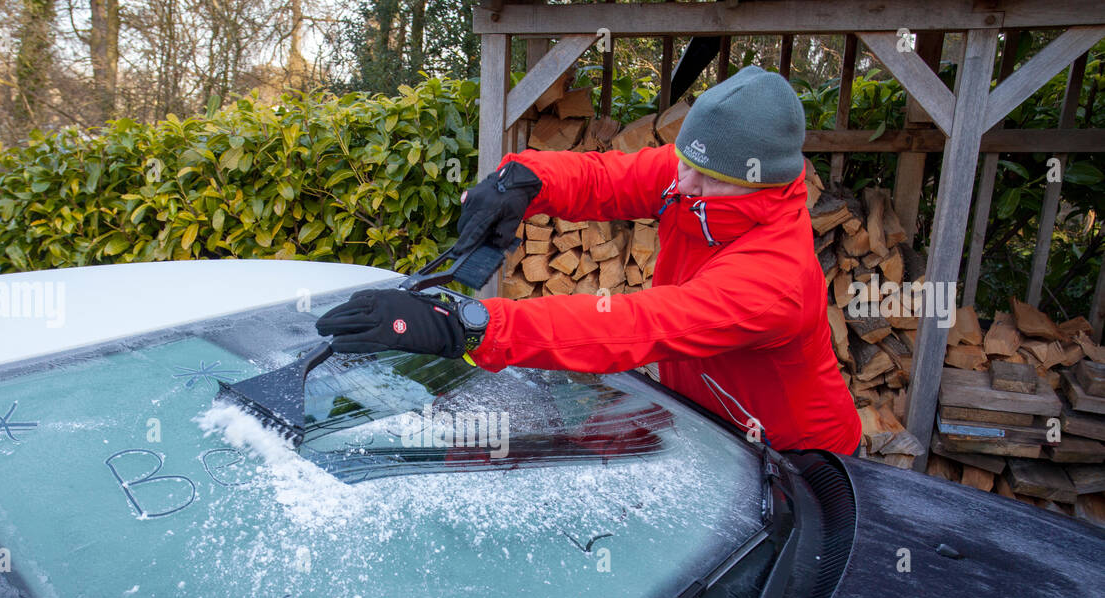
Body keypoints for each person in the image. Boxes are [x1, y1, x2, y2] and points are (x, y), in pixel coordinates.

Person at [316, 65, 861, 455]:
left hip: (800, 458)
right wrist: (525, 180)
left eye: (705, 176)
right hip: (711, 423)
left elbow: (636, 326)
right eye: (684, 162)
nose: (683, 182)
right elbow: (607, 177)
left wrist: (472, 325)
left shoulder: (775, 280)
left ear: (755, 182)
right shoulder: (698, 177)